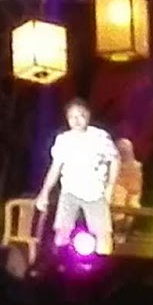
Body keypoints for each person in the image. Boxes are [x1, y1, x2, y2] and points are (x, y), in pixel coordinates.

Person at [34, 100, 119, 256]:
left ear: (88, 116)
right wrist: (44, 193)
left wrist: (110, 186)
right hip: (70, 191)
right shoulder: (63, 140)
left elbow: (114, 160)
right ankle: (60, 261)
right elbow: (55, 168)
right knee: (61, 231)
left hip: (95, 192)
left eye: (81, 115)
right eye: (72, 117)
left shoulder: (100, 137)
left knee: (103, 233)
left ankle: (104, 263)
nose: (77, 120)